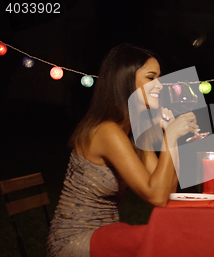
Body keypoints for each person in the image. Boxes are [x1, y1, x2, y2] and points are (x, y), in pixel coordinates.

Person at [46, 44, 199, 257]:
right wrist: (171, 137)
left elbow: (165, 191)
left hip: (107, 232)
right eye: (151, 77)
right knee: (160, 239)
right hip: (76, 239)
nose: (160, 85)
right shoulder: (107, 131)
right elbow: (157, 197)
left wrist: (170, 138)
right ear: (126, 82)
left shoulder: (134, 131)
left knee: (166, 235)